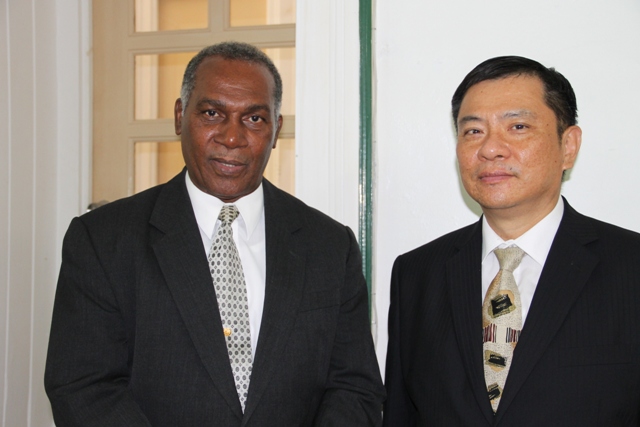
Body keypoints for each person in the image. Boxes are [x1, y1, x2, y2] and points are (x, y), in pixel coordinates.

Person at [45, 41, 384, 427]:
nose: (232, 137)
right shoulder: (103, 241)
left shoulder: (330, 247)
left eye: (254, 119)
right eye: (211, 113)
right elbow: (83, 386)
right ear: (179, 116)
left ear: (276, 130)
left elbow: (355, 388)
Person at [383, 56, 640, 426]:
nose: (490, 149)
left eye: (517, 126)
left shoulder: (630, 267)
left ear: (568, 146)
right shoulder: (417, 274)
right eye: (473, 131)